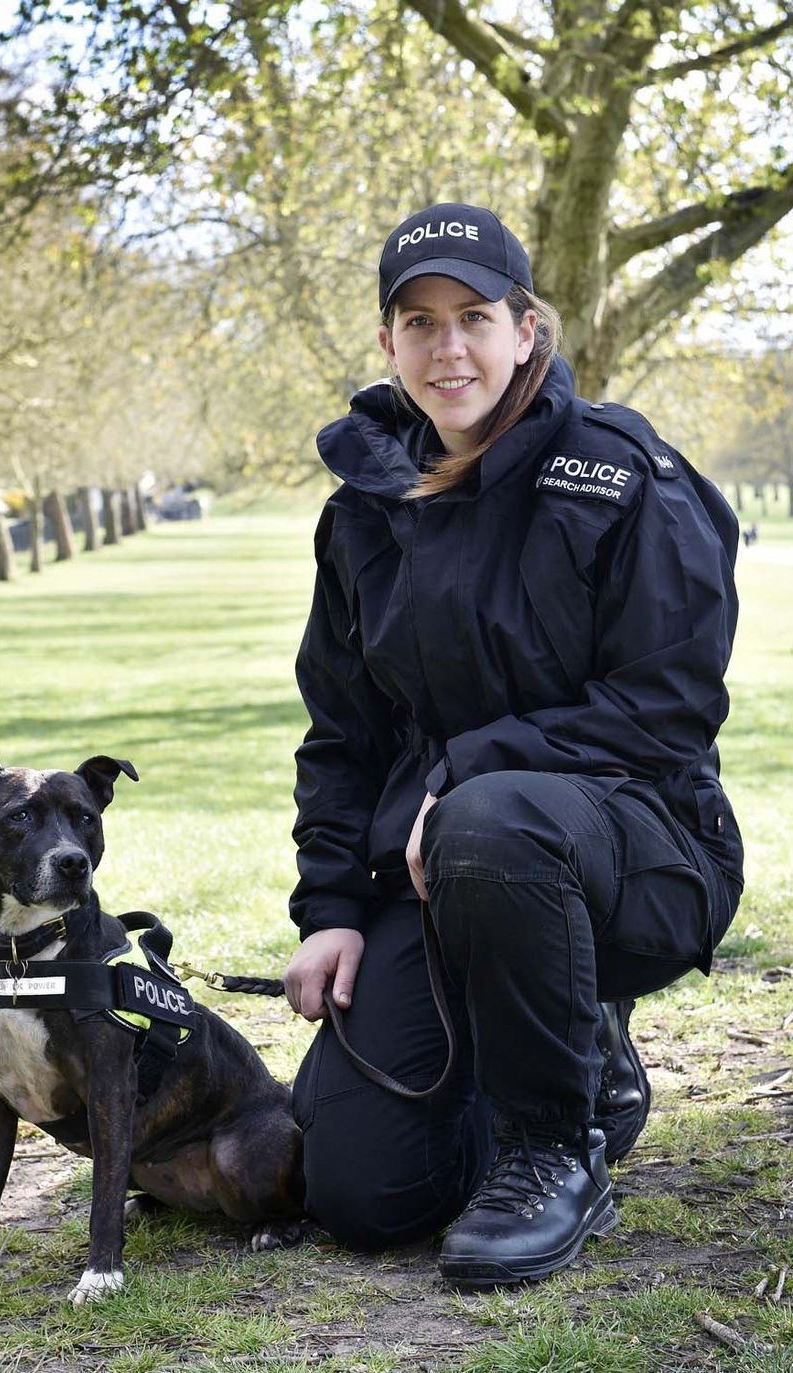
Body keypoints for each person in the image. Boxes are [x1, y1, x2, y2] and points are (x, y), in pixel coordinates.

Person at [283, 203, 744, 1288]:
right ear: (388, 342)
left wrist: (464, 771)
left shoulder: (620, 475)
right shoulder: (362, 510)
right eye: (419, 322)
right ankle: (557, 1048)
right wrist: (332, 907)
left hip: (640, 853)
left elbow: (669, 704)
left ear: (524, 328)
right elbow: (342, 729)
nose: (448, 348)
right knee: (360, 1191)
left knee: (491, 818)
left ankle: (556, 1148)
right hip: (437, 876)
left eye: (474, 317)